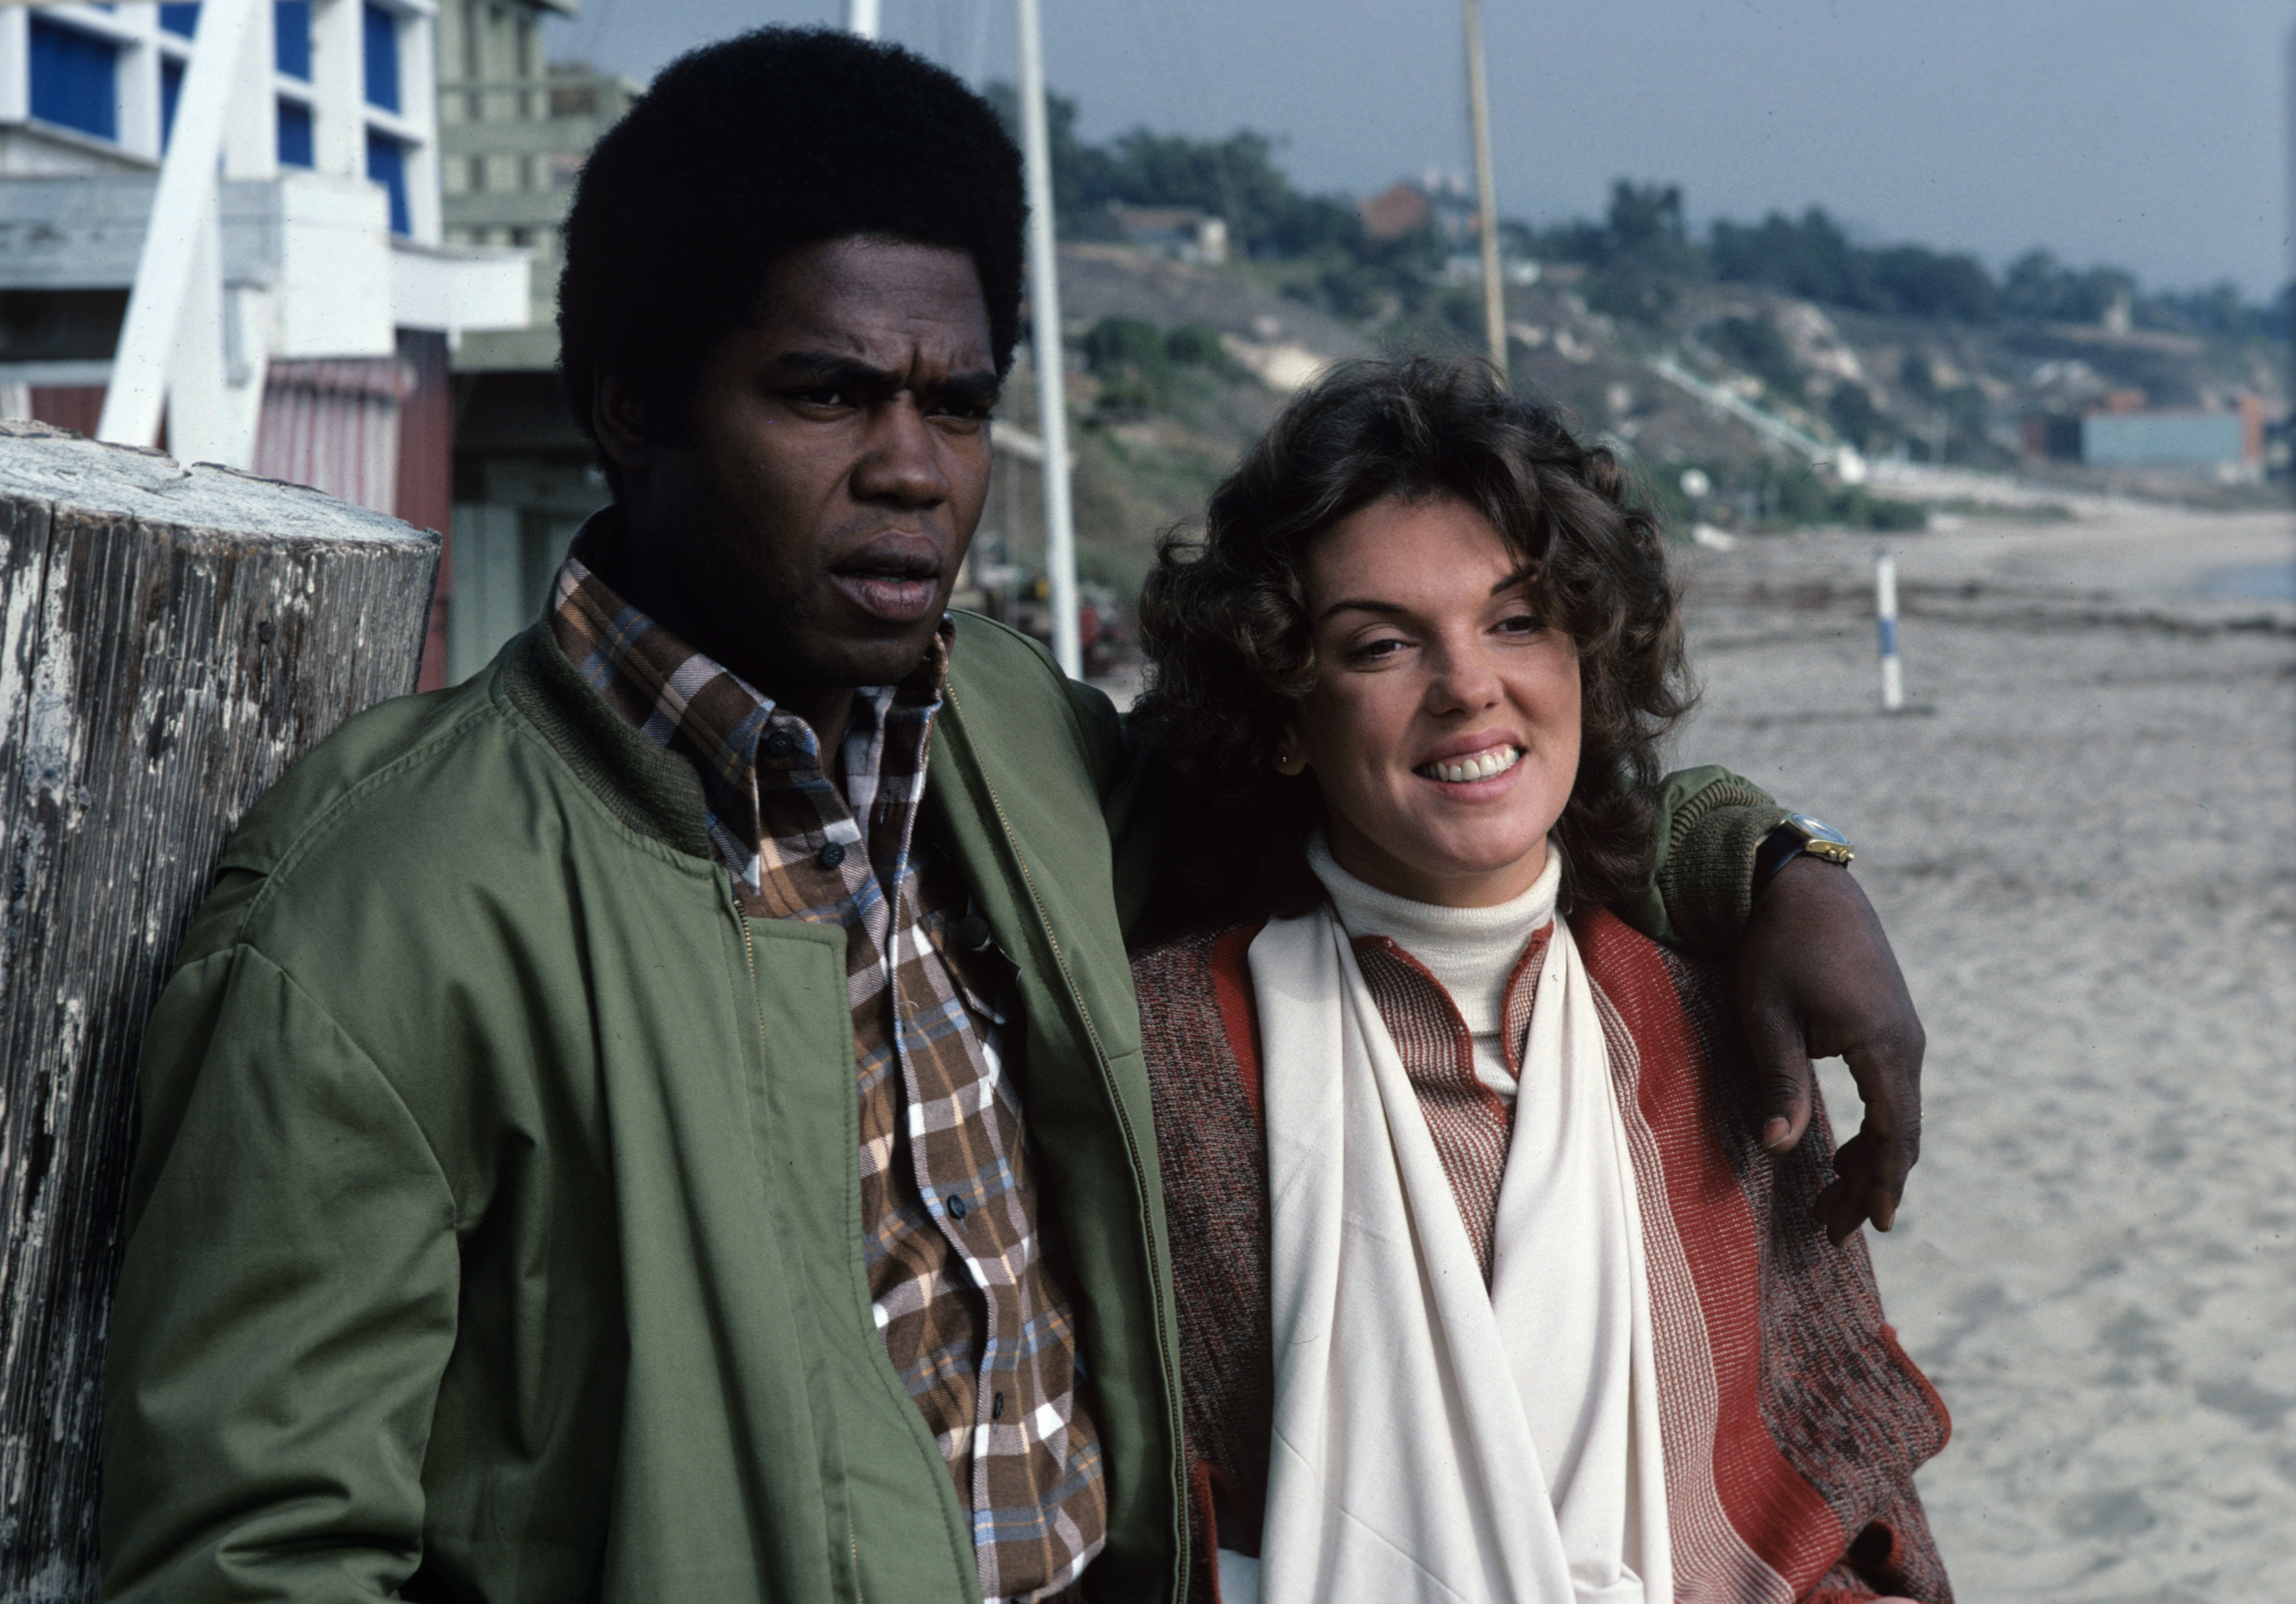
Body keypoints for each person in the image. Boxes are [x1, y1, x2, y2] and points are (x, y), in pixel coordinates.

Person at [99, 29, 1927, 1604]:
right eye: (826, 391)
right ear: (632, 408)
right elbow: (256, 1548)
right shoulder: (379, 912)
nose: (911, 464)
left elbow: (1407, 792)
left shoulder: (1009, 746)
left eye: (955, 402)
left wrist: (1766, 860)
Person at [1132, 357, 1950, 1604]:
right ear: (1283, 713)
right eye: (1379, 644)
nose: (1467, 685)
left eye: (1515, 620)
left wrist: (1804, 859)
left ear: (1587, 656)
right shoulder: (1163, 1056)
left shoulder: (1707, 1019)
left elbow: (1841, 1479)